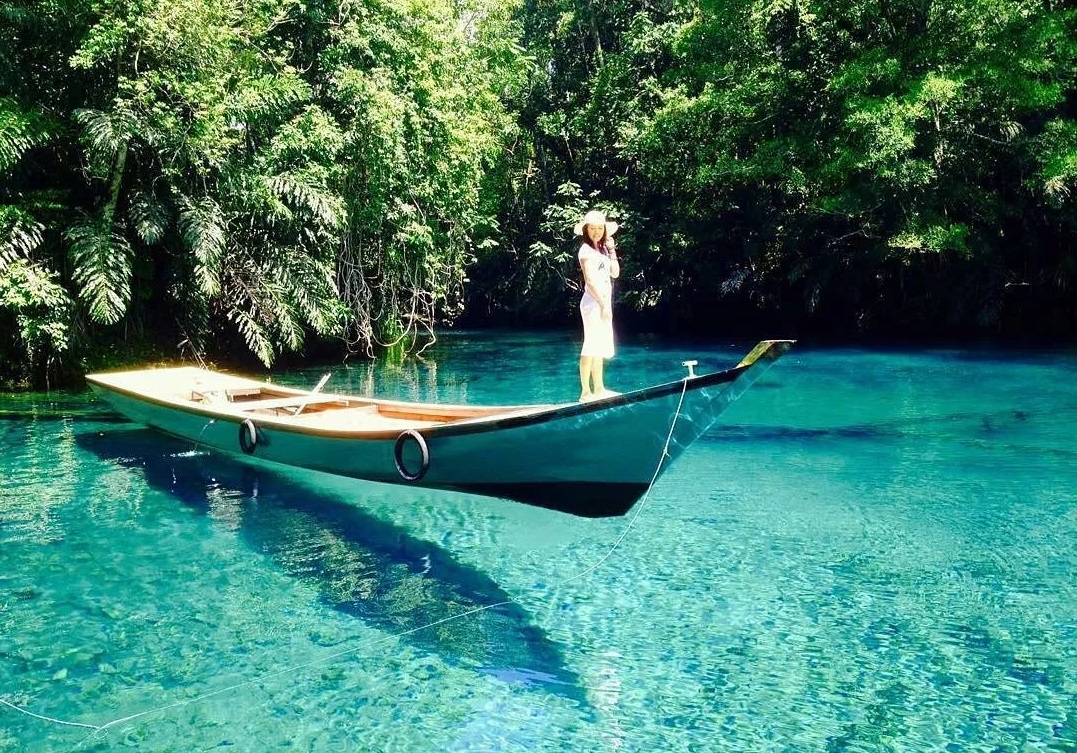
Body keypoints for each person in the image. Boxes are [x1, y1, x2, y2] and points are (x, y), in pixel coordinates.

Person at [574, 209, 620, 401]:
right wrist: (603, 305)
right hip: (594, 303)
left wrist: (612, 249)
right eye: (593, 228)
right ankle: (585, 392)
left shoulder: (602, 250)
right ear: (586, 230)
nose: (597, 231)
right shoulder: (585, 251)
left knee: (599, 347)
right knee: (590, 346)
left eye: (600, 228)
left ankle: (599, 389)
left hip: (603, 303)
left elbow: (615, 273)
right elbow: (590, 282)